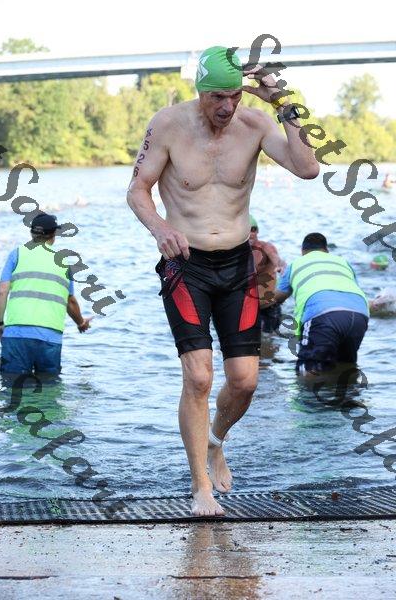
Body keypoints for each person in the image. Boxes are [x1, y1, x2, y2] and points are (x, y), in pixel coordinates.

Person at [127, 46, 319, 516]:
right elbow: (137, 190)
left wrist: (283, 102)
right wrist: (161, 229)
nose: (227, 106)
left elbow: (308, 168)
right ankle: (200, 488)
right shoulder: (168, 124)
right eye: (218, 96)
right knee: (198, 376)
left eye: (235, 96)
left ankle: (216, 441)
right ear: (200, 90)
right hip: (185, 263)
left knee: (245, 382)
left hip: (237, 267)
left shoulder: (255, 124)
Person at [0, 213, 92, 378]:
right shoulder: (63, 263)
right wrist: (81, 323)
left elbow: (2, 291)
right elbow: (70, 302)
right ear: (53, 235)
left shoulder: (16, 254)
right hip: (50, 337)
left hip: (17, 334)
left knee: (12, 384)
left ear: (31, 233)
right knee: (49, 386)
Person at [274, 233, 369, 376]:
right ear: (326, 250)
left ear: (302, 251)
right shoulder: (343, 262)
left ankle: (308, 391)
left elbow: (276, 298)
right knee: (345, 368)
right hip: (360, 314)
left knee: (308, 371)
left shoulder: (296, 264)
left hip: (323, 314)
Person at [249, 214, 285, 333]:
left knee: (270, 340)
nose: (251, 233)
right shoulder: (236, 252)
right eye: (247, 230)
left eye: (253, 229)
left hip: (269, 306)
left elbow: (276, 258)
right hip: (248, 308)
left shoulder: (265, 247)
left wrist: (280, 265)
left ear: (257, 231)